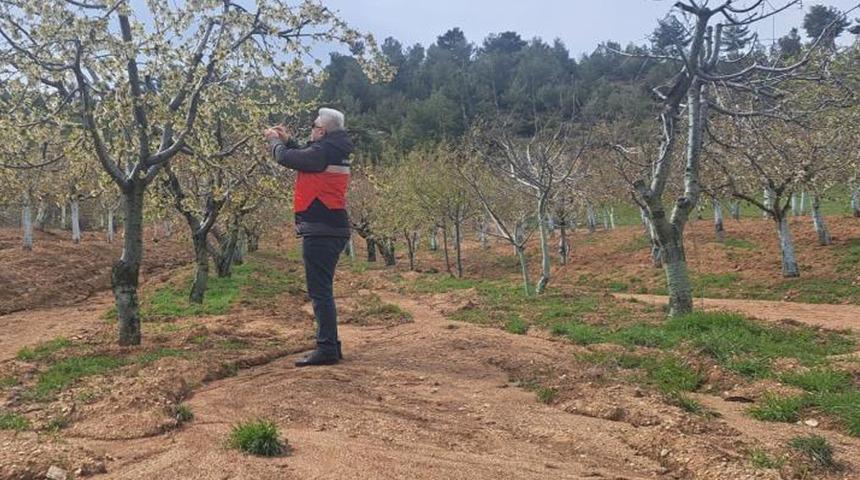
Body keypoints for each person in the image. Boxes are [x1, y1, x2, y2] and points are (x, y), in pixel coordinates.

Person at [264, 108, 353, 367]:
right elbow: (305, 155)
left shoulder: (323, 152)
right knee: (322, 290)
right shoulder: (332, 150)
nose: (311, 129)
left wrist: (274, 141)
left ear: (322, 131)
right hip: (331, 227)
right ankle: (330, 345)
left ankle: (327, 348)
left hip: (322, 229)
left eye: (314, 126)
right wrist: (289, 141)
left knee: (320, 292)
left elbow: (286, 158)